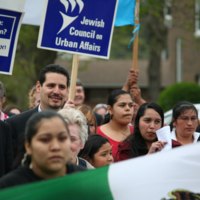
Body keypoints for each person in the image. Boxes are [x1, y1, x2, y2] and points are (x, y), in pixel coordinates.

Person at [6, 64, 70, 169]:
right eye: (51, 86)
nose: (57, 91)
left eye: (62, 87)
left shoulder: (73, 124)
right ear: (39, 87)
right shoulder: (13, 125)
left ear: (67, 91)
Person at [0, 111, 84, 189]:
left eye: (62, 138)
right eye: (45, 140)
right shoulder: (9, 188)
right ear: (28, 146)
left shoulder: (86, 181)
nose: (55, 147)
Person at [96, 89, 134, 162]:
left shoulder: (138, 132)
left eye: (131, 105)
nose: (128, 109)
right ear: (110, 109)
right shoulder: (97, 133)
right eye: (122, 105)